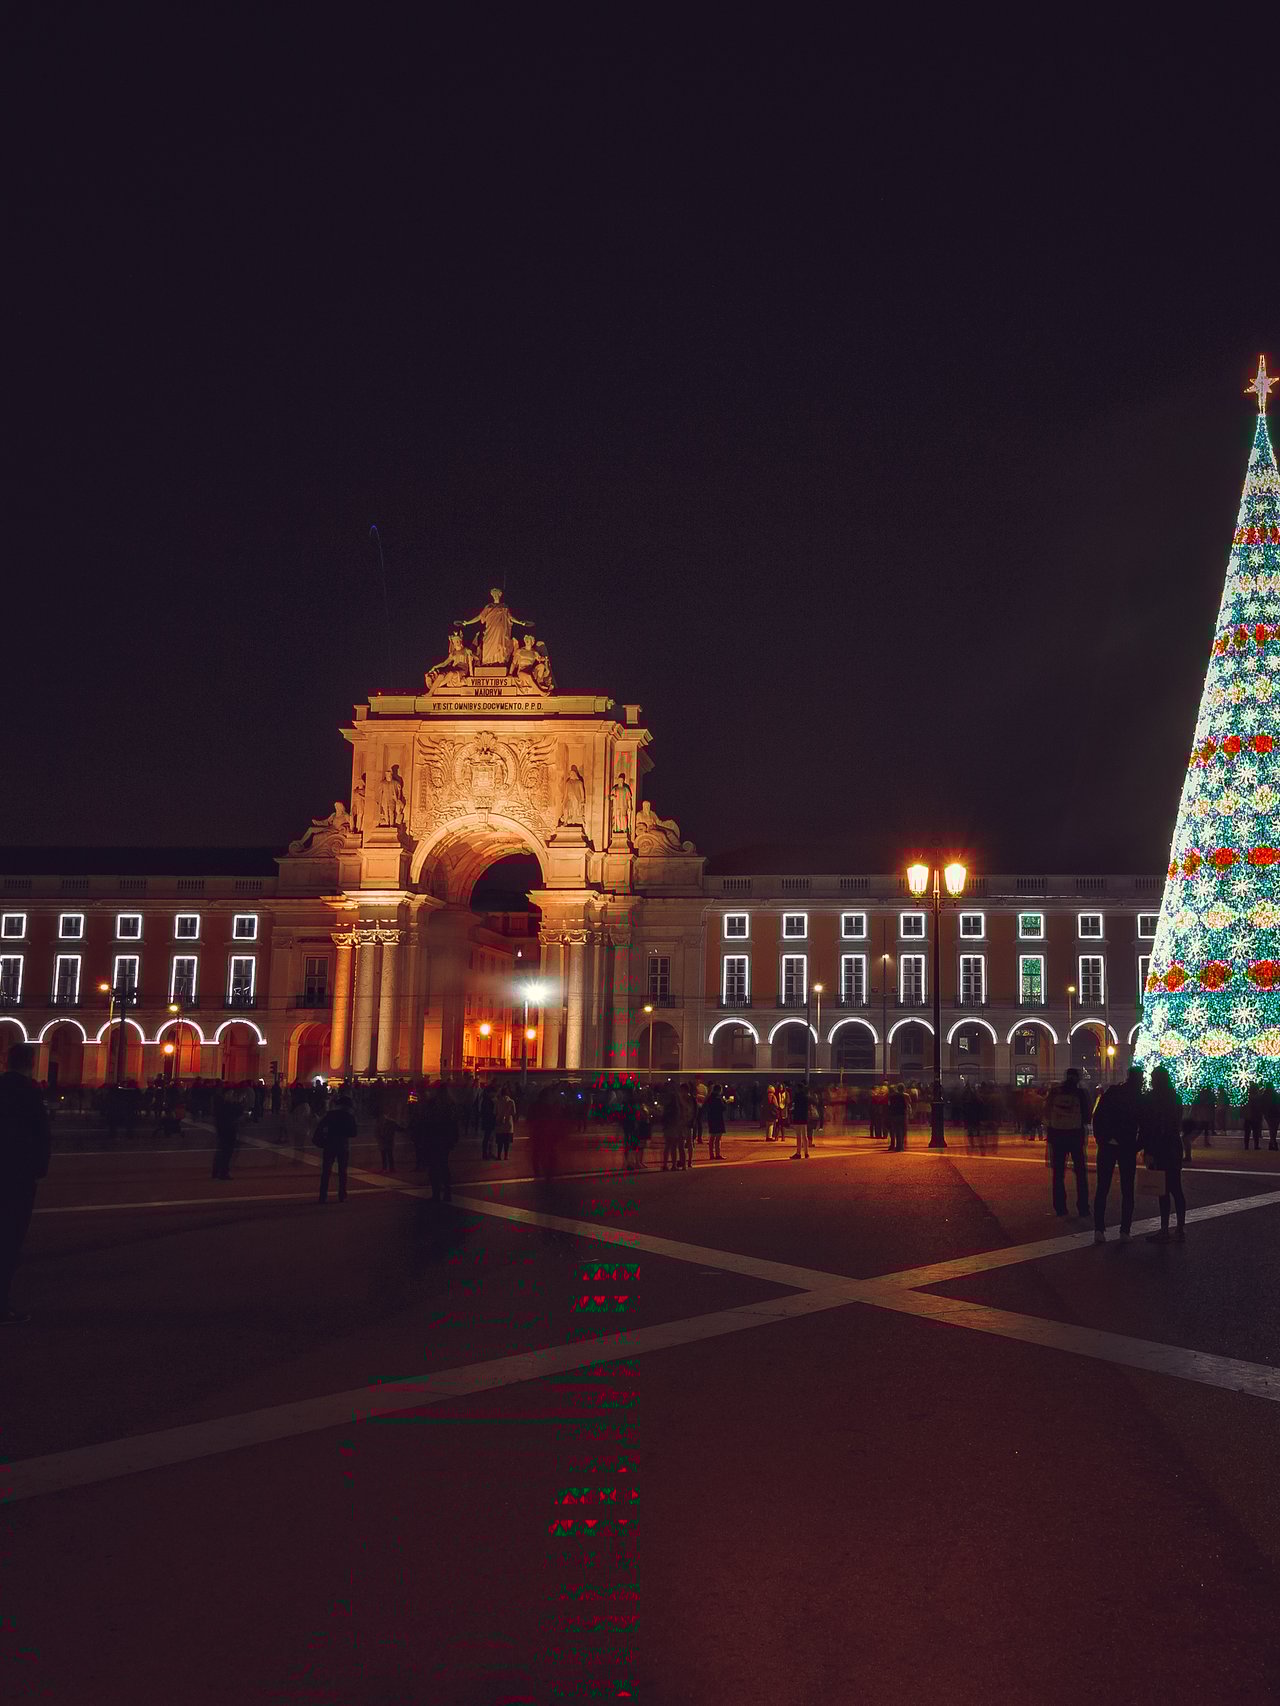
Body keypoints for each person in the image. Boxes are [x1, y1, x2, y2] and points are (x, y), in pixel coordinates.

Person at [0, 1043, 52, 1325]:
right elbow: (41, 1136)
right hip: (18, 1176)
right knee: (9, 1241)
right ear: (31, 1062)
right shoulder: (30, 1094)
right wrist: (38, 1169)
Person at [1092, 1067, 1142, 1243]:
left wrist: (1101, 1138)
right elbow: (1143, 1124)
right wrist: (1137, 1146)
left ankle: (1099, 1229)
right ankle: (1125, 1231)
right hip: (1127, 1146)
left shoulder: (1112, 1092)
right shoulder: (1138, 1097)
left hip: (1107, 1144)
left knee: (1102, 1188)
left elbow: (1097, 1116)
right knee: (1127, 1190)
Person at [1141, 1066, 1187, 1242]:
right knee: (1176, 1188)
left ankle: (1164, 1229)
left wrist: (1147, 1149)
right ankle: (1180, 1228)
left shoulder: (1153, 1098)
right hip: (1174, 1146)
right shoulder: (1174, 1097)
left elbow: (1150, 1126)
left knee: (1163, 1190)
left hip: (1160, 1148)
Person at [1044, 1067, 1091, 1219]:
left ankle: (1060, 1207)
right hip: (1075, 1136)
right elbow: (1087, 1116)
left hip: (1057, 1135)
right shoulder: (1081, 1093)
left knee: (1058, 1174)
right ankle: (1083, 1207)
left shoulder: (1055, 1092)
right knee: (1080, 1174)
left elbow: (1046, 1112)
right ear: (1077, 1078)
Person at [412, 1081, 460, 1203]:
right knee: (443, 1165)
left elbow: (425, 1120)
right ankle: (447, 1192)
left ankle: (436, 1193)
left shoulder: (432, 1104)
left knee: (433, 1167)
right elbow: (454, 1124)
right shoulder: (451, 1104)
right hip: (444, 1139)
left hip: (433, 1138)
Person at [316, 1091, 357, 1203]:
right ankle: (342, 1194)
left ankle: (323, 1195)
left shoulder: (331, 1114)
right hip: (343, 1145)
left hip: (329, 1144)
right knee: (342, 1171)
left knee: (326, 1171)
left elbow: (321, 1126)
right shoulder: (349, 1116)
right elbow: (354, 1133)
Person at [211, 1087, 241, 1180]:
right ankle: (223, 1172)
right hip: (228, 1130)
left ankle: (216, 1171)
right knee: (226, 1152)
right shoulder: (227, 1105)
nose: (232, 1096)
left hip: (223, 1130)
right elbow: (237, 1112)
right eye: (230, 1094)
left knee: (221, 1151)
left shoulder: (220, 1104)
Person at [493, 1084, 516, 1160]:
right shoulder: (511, 1101)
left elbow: (494, 1112)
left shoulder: (497, 1101)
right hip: (508, 1123)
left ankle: (499, 1155)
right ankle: (506, 1156)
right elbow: (513, 1112)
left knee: (500, 1142)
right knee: (507, 1142)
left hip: (499, 1122)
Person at [790, 1081, 811, 1159]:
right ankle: (806, 1153)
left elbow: (794, 1106)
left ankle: (798, 1153)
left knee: (798, 1136)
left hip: (798, 1117)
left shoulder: (797, 1096)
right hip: (804, 1117)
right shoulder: (806, 1097)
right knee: (804, 1136)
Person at [705, 1083, 726, 1160]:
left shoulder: (709, 1098)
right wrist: (724, 1102)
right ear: (719, 1090)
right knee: (718, 1138)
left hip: (711, 1118)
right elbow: (723, 1108)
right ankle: (718, 1154)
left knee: (712, 1137)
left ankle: (711, 1154)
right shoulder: (718, 1098)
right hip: (718, 1118)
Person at [1243, 1082, 1264, 1151]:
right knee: (1256, 1131)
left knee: (1247, 1132)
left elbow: (1243, 1106)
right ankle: (1256, 1145)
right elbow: (1260, 1107)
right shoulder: (1258, 1097)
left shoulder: (1247, 1097)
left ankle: (1246, 1146)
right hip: (1255, 1116)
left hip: (1248, 1116)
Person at [479, 1084, 497, 1160]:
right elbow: (488, 1112)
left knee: (489, 1137)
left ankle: (488, 1153)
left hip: (487, 1121)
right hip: (489, 1121)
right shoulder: (487, 1101)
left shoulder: (485, 1100)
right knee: (488, 1137)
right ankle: (486, 1154)